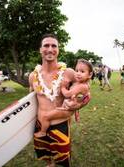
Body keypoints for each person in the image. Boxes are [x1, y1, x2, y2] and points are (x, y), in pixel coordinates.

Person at [29, 34, 89, 167]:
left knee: (63, 159)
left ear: (58, 50)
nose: (50, 49)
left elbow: (85, 91)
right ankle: (49, 164)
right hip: (40, 123)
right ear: (40, 49)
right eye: (46, 45)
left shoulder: (69, 72)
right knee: (44, 153)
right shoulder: (33, 76)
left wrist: (78, 105)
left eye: (53, 46)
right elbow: (30, 100)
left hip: (60, 124)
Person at [34, 59, 92, 138]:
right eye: (77, 70)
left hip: (67, 107)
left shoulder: (80, 85)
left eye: (82, 72)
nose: (78, 73)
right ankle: (74, 113)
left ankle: (43, 132)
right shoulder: (81, 83)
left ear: (90, 74)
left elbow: (67, 94)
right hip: (66, 104)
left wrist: (62, 87)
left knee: (45, 117)